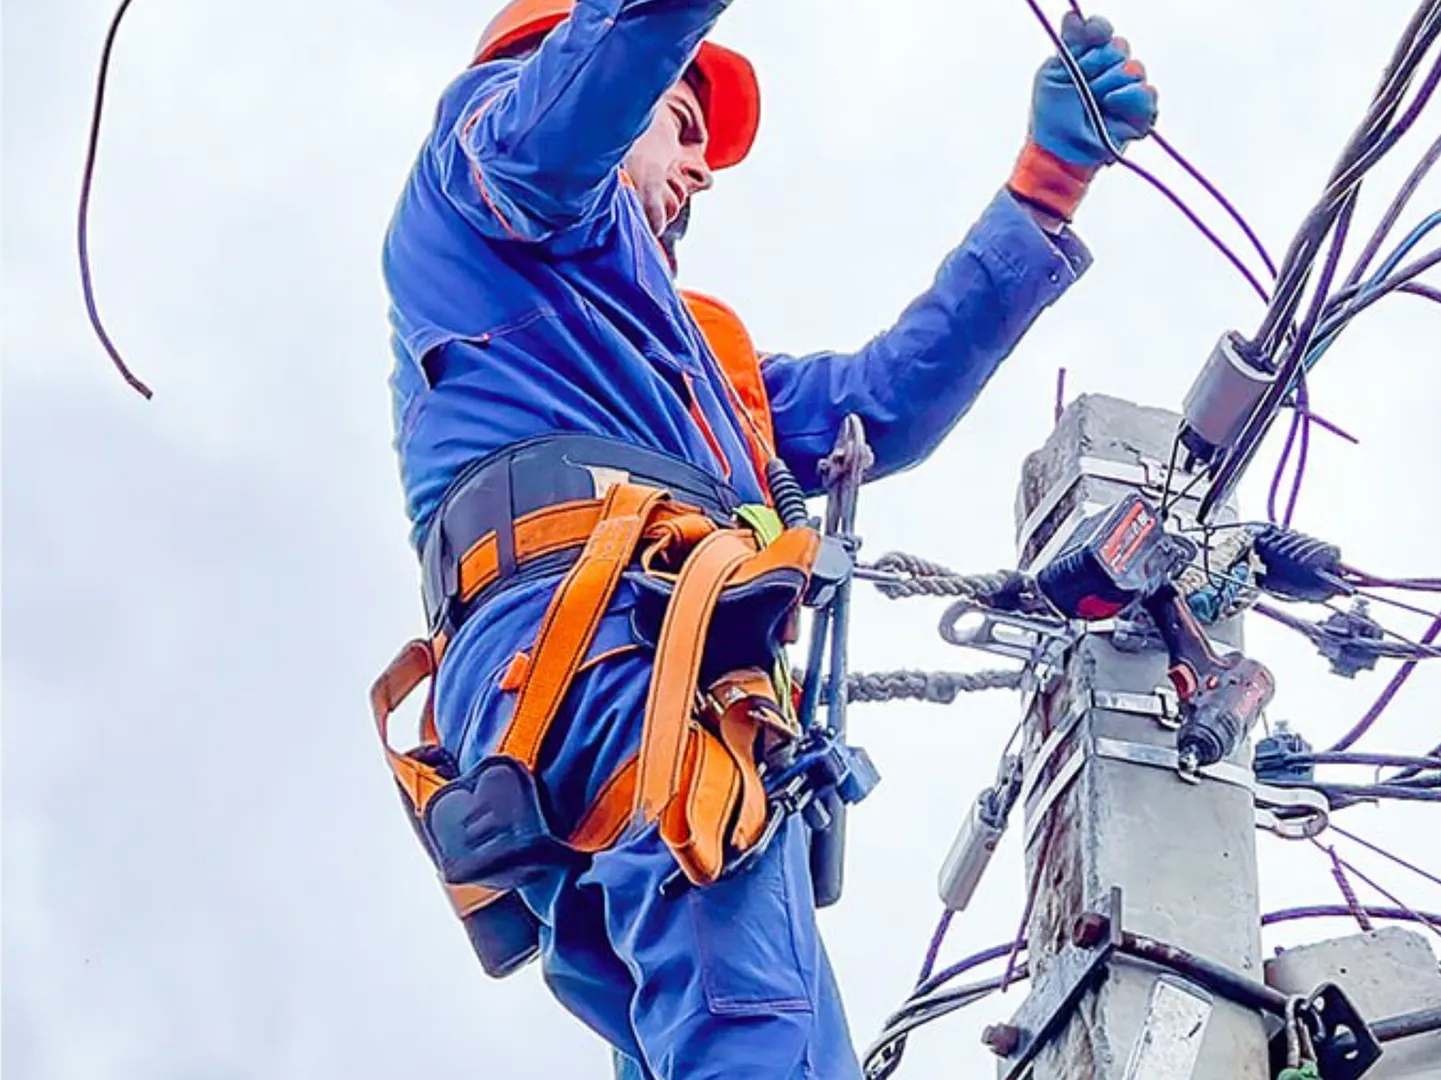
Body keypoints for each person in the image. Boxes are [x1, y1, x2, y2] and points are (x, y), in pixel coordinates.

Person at [375, 1, 1158, 1076]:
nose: (701, 167)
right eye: (682, 117)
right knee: (755, 1029)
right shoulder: (489, 168)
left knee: (714, 1041)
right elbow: (604, 63)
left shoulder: (691, 358)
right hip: (606, 644)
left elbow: (878, 407)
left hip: (586, 678)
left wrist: (1044, 186)